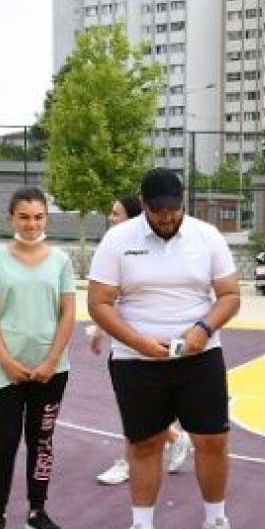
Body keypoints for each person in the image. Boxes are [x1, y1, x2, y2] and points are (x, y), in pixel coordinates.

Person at [87, 168, 242, 529]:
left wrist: (202, 330)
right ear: (144, 205)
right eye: (159, 214)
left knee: (212, 441)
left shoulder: (207, 236)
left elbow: (229, 295)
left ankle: (216, 519)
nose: (167, 219)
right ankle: (141, 528)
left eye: (174, 212)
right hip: (135, 360)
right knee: (144, 444)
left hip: (199, 355)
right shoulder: (118, 239)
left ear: (183, 202)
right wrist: (139, 342)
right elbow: (99, 302)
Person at [0, 187, 76, 529]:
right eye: (24, 216)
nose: (31, 223)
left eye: (38, 216)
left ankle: (37, 511)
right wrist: (5, 359)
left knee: (42, 442)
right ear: (11, 219)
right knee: (4, 442)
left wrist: (51, 360)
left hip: (51, 370)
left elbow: (68, 313)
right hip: (5, 369)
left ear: (46, 218)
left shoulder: (61, 261)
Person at [90, 194, 191, 486]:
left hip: (141, 347)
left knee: (136, 410)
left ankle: (135, 458)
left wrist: (100, 330)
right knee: (136, 410)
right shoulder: (116, 245)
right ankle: (172, 437)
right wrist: (100, 329)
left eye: (116, 213)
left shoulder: (135, 247)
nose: (111, 217)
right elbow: (109, 298)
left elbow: (122, 296)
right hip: (126, 342)